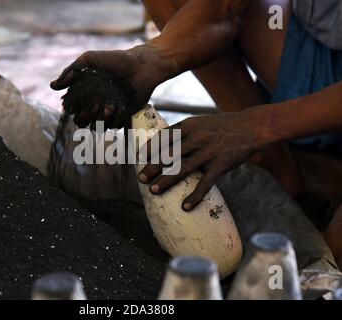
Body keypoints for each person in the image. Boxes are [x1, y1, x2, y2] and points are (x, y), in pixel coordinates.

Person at [51, 0, 342, 264]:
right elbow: (224, 6)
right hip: (324, 50)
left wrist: (252, 126)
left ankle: (312, 162)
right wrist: (152, 57)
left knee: (326, 260)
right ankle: (276, 162)